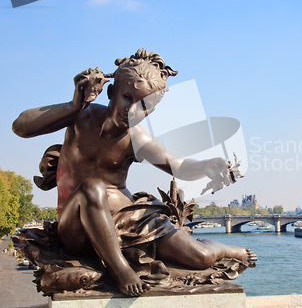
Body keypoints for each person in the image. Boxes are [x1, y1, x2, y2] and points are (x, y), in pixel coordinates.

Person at [12, 49, 256, 297]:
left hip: (130, 221)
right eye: (127, 97)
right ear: (111, 93)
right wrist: (74, 105)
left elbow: (179, 165)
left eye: (144, 107)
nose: (132, 111)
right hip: (77, 227)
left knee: (200, 257)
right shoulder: (81, 116)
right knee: (92, 188)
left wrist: (205, 165)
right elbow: (20, 126)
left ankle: (226, 249)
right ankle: (120, 270)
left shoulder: (137, 140)